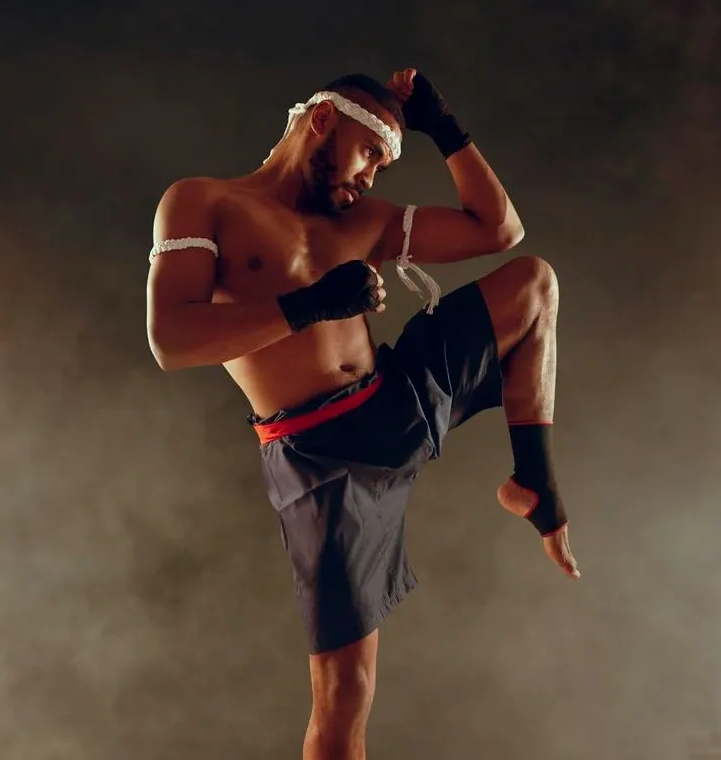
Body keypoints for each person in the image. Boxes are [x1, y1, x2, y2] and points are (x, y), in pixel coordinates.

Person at [145, 68, 579, 759]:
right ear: (322, 121)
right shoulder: (203, 203)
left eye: (384, 162)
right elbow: (171, 340)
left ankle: (532, 480)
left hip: (395, 399)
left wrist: (445, 127)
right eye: (371, 152)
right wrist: (308, 306)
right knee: (345, 695)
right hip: (320, 457)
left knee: (534, 284)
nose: (373, 175)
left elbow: (500, 229)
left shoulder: (363, 222)